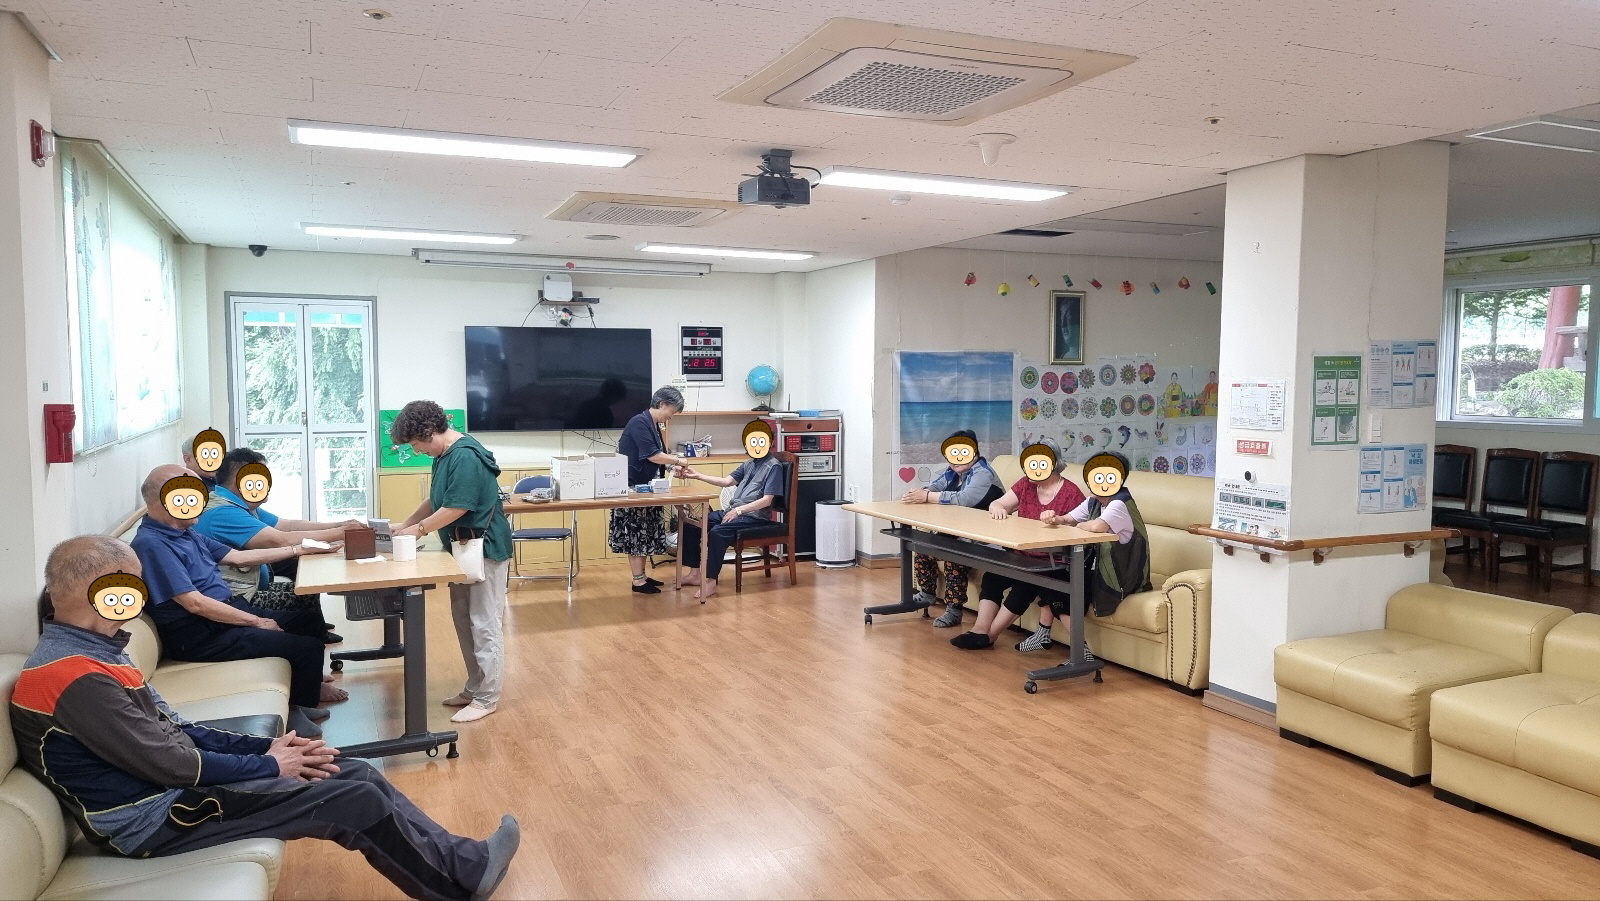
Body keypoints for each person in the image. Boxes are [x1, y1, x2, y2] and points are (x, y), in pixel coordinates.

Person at [13, 535, 521, 901]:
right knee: (355, 799)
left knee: (353, 771)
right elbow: (172, 764)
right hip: (154, 819)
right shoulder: (72, 677)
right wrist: (271, 765)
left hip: (171, 792)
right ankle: (457, 882)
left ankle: (463, 861)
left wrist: (269, 749)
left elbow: (176, 731)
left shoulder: (97, 652)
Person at [130, 465, 343, 737]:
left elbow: (237, 557)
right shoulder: (152, 544)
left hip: (224, 613)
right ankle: (292, 712)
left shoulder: (184, 531)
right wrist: (256, 621)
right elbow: (194, 603)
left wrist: (298, 550)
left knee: (307, 621)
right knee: (305, 647)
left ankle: (301, 696)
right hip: (199, 633)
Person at [392, 400, 512, 724]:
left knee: (484, 624)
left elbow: (457, 507)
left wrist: (417, 530)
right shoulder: (444, 456)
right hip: (462, 549)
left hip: (484, 549)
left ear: (429, 431)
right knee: (464, 620)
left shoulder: (465, 455)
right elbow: (436, 499)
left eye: (415, 444)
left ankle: (487, 697)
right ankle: (474, 688)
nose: (416, 451)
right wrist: (405, 525)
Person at [194, 447, 356, 627]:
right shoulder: (223, 512)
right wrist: (342, 533)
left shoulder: (236, 503)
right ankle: (314, 634)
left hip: (253, 586)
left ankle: (318, 631)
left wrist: (339, 525)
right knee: (303, 599)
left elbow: (287, 525)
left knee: (306, 591)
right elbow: (280, 540)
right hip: (239, 599)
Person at [950, 441, 1087, 651]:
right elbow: (999, 503)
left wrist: (1058, 521)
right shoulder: (1026, 484)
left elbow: (1079, 529)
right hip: (1021, 554)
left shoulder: (1071, 493)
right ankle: (979, 629)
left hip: (1053, 561)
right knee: (993, 577)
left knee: (1025, 585)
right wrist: (998, 508)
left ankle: (990, 635)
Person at [674, 420, 787, 600]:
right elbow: (727, 481)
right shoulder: (749, 463)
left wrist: (739, 511)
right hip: (735, 510)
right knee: (692, 525)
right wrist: (698, 475)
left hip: (754, 516)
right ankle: (695, 574)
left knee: (718, 532)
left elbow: (767, 500)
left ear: (770, 442)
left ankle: (711, 581)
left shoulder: (774, 466)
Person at [900, 430, 1003, 627]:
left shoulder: (983, 473)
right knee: (923, 546)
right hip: (959, 531)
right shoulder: (953, 473)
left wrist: (927, 497)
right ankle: (927, 594)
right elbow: (934, 487)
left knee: (954, 556)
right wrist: (918, 493)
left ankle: (954, 610)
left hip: (985, 536)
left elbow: (964, 499)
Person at [611, 386, 688, 594]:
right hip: (633, 489)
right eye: (672, 411)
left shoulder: (653, 425)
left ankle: (642, 576)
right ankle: (637, 581)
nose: (671, 416)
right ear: (662, 404)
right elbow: (652, 455)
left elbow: (660, 456)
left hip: (647, 489)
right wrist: (678, 461)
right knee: (636, 534)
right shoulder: (639, 422)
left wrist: (671, 466)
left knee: (645, 534)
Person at [1062, 451, 1152, 620]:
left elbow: (1098, 526)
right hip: (1096, 569)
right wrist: (1053, 517)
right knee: (1053, 583)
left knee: (1061, 591)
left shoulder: (1120, 502)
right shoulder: (1094, 500)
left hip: (1121, 577)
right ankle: (1046, 630)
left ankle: (1074, 639)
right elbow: (1067, 519)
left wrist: (1079, 525)